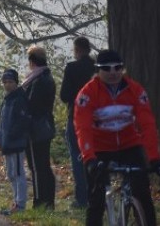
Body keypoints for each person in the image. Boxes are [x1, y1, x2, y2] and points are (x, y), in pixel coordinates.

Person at [75, 50, 160, 226]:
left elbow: (147, 124)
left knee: (143, 195)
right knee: (96, 200)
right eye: (107, 69)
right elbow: (82, 127)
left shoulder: (135, 90)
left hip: (129, 145)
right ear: (98, 70)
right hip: (100, 148)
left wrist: (155, 158)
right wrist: (89, 158)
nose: (113, 72)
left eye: (118, 67)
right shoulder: (88, 93)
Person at [59, 36, 96, 209]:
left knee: (77, 155)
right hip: (97, 118)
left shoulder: (72, 68)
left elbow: (64, 95)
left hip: (76, 116)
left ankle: (82, 198)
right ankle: (96, 194)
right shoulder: (96, 68)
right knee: (95, 155)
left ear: (77, 50)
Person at [21, 45, 56, 210]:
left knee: (36, 167)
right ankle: (49, 201)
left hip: (36, 128)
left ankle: (39, 201)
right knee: (44, 165)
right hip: (46, 125)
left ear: (31, 61)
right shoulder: (47, 77)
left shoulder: (37, 80)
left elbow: (31, 104)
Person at [0, 68, 31, 215]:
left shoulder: (20, 99)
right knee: (10, 174)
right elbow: (3, 120)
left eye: (10, 82)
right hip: (6, 142)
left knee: (18, 173)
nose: (7, 85)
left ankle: (20, 205)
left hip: (16, 143)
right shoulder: (7, 99)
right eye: (5, 82)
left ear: (16, 82)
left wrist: (13, 135)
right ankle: (15, 202)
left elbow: (23, 121)